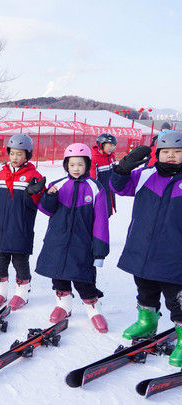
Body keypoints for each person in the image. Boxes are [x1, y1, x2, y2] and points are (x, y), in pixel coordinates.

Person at [110, 131, 182, 366]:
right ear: (157, 153)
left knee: (177, 299)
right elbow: (118, 188)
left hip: (174, 255)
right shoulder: (145, 175)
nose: (171, 156)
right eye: (166, 151)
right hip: (143, 250)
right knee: (145, 288)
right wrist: (122, 169)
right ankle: (147, 322)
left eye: (177, 152)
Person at [35, 143, 109, 333]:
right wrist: (49, 196)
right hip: (57, 241)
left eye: (80, 164)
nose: (76, 168)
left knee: (84, 279)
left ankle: (93, 309)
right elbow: (46, 210)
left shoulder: (95, 188)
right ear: (66, 165)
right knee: (58, 275)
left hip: (82, 243)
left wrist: (100, 249)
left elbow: (101, 221)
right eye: (72, 164)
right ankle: (64, 304)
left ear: (87, 165)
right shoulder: (57, 185)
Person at [0, 134, 45, 310]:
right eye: (12, 153)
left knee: (20, 262)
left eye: (20, 154)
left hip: (20, 229)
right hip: (0, 230)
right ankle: (0, 291)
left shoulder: (33, 176)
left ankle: (22, 292)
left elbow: (40, 205)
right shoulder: (1, 175)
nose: (15, 157)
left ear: (27, 155)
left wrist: (32, 194)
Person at [90, 133, 117, 216]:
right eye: (110, 145)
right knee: (100, 216)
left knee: (107, 214)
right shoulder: (94, 158)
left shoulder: (111, 156)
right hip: (101, 193)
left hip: (109, 192)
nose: (112, 148)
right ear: (101, 145)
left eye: (113, 146)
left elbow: (114, 173)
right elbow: (93, 180)